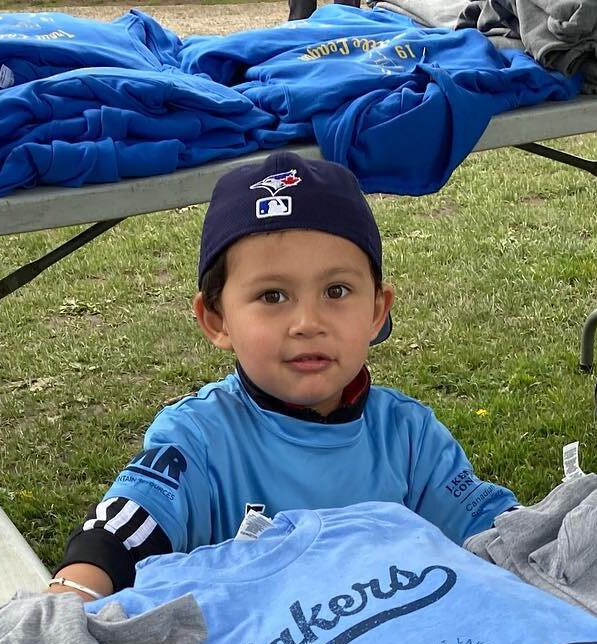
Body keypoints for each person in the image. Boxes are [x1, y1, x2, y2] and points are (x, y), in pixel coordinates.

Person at [48, 149, 517, 601]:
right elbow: (122, 530)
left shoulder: (411, 438)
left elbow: (498, 532)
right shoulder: (198, 439)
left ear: (377, 310)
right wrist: (69, 598)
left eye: (336, 290)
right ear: (217, 320)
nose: (308, 322)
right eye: (273, 296)